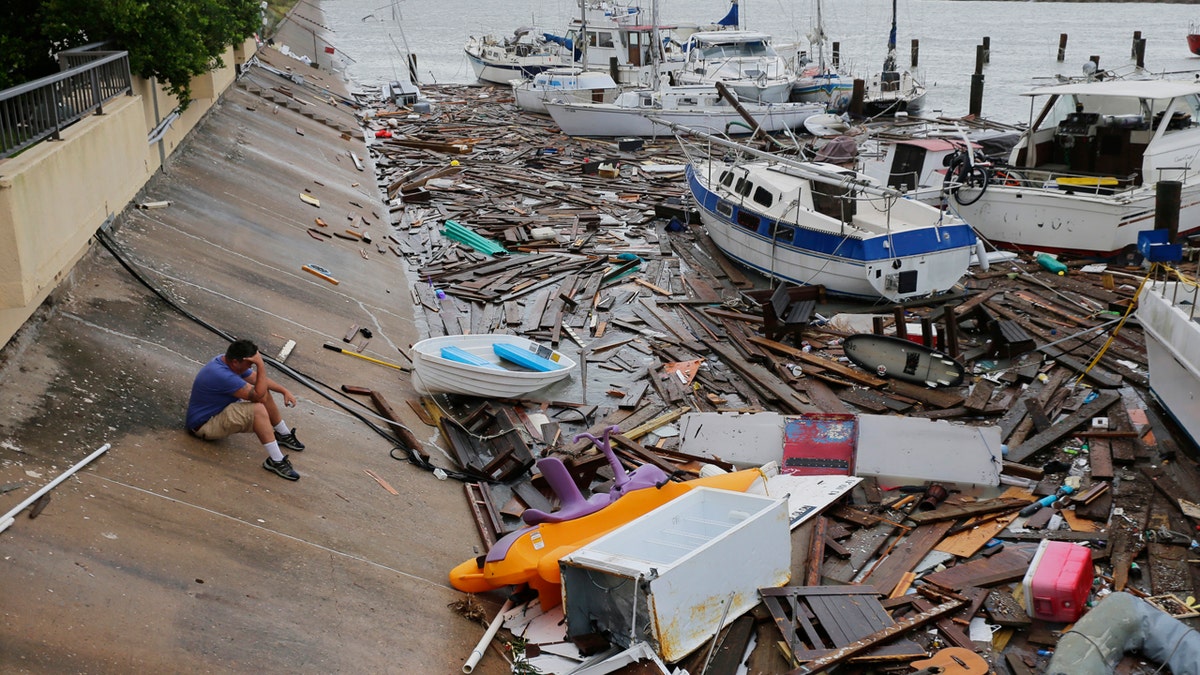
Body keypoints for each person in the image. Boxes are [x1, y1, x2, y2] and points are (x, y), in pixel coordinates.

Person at [186, 339, 306, 481]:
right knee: (258, 408)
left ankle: (283, 434)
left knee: (263, 392)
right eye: (250, 363)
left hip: (217, 412)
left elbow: (256, 379)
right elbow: (258, 396)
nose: (251, 366)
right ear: (236, 362)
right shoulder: (222, 375)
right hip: (204, 426)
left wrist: (283, 390)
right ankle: (276, 461)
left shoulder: (227, 361)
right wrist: (261, 365)